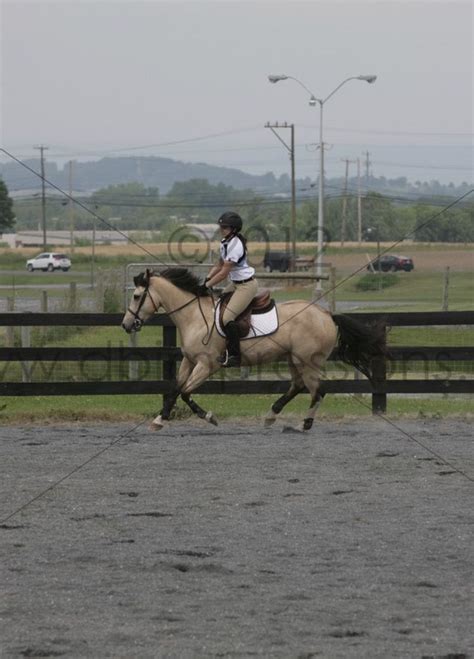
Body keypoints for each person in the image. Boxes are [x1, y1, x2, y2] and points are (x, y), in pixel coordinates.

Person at [203, 211, 258, 367]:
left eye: (225, 227)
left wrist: (207, 285)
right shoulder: (225, 242)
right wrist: (206, 279)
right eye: (221, 227)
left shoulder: (236, 246)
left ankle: (235, 355)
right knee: (217, 307)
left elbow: (223, 273)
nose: (222, 229)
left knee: (227, 318)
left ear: (234, 229)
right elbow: (219, 264)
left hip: (246, 285)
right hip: (236, 283)